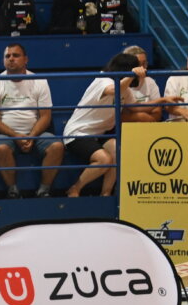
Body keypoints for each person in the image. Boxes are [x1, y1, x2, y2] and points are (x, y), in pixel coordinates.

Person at [0, 42, 64, 198]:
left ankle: (44, 190)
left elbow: (45, 116)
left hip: (36, 134)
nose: (11, 59)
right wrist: (16, 136)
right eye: (7, 56)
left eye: (16, 55)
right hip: (5, 135)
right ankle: (13, 191)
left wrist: (31, 136)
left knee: (57, 146)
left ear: (25, 59)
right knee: (1, 148)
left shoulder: (39, 81)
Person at [62, 53, 144, 198]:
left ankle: (105, 194)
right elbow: (114, 90)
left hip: (100, 134)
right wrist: (131, 75)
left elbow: (136, 107)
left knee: (117, 150)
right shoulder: (103, 80)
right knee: (104, 160)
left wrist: (163, 101)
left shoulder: (126, 89)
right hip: (78, 133)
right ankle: (75, 188)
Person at [120, 45, 182, 122]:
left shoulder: (150, 82)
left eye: (144, 63)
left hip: (148, 125)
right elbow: (117, 117)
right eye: (138, 64)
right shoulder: (121, 84)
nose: (143, 68)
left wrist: (149, 120)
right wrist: (139, 117)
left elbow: (157, 111)